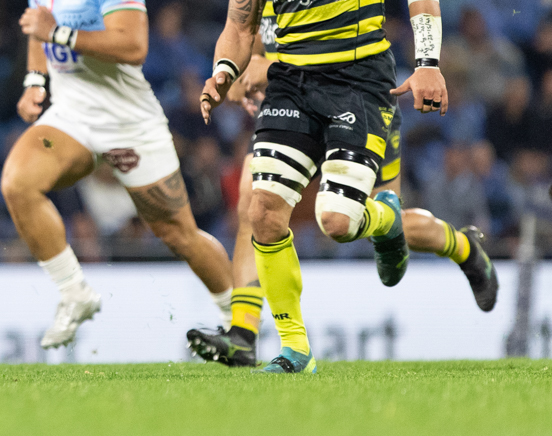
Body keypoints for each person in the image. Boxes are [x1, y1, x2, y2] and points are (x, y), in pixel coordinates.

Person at [199, 0, 452, 374]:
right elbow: (240, 26)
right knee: (263, 211)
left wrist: (429, 61)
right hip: (291, 80)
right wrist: (222, 72)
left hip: (358, 80)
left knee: (338, 222)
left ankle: (385, 221)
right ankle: (294, 349)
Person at [1, 0, 234, 350]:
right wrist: (32, 80)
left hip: (128, 122)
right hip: (71, 116)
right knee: (17, 183)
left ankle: (242, 316)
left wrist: (57, 34)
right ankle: (74, 292)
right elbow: (36, 27)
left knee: (179, 234)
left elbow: (133, 46)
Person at [188, 33, 498, 367]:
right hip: (291, 109)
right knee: (255, 200)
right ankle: (243, 335)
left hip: (354, 102)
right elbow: (243, 36)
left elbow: (341, 51)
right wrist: (231, 71)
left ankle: (462, 247)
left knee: (379, 219)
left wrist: (271, 67)